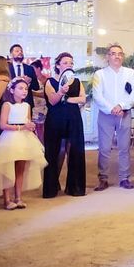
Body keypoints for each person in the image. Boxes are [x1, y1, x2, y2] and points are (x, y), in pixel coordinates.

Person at [0, 78, 47, 210]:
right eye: (20, 88)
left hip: (24, 139)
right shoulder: (7, 105)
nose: (24, 91)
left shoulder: (27, 106)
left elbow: (27, 121)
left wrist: (30, 126)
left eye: (26, 89)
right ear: (12, 90)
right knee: (8, 169)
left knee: (20, 169)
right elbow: (2, 124)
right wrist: (20, 127)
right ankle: (7, 199)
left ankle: (18, 197)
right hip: (10, 138)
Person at [90, 44, 134, 191]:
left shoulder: (130, 73)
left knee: (124, 148)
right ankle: (103, 178)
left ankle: (124, 178)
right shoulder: (99, 74)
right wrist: (111, 108)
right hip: (106, 115)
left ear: (123, 56)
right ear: (108, 57)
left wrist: (121, 105)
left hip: (123, 114)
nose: (117, 56)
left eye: (120, 54)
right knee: (104, 148)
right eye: (113, 53)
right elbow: (97, 95)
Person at [43, 52, 87, 198]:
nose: (69, 65)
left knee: (74, 150)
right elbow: (53, 101)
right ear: (58, 65)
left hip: (73, 118)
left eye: (71, 63)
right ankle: (52, 185)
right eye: (65, 62)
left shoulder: (77, 81)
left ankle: (75, 187)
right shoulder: (50, 81)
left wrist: (68, 100)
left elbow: (83, 99)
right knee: (56, 151)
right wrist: (61, 92)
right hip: (56, 119)